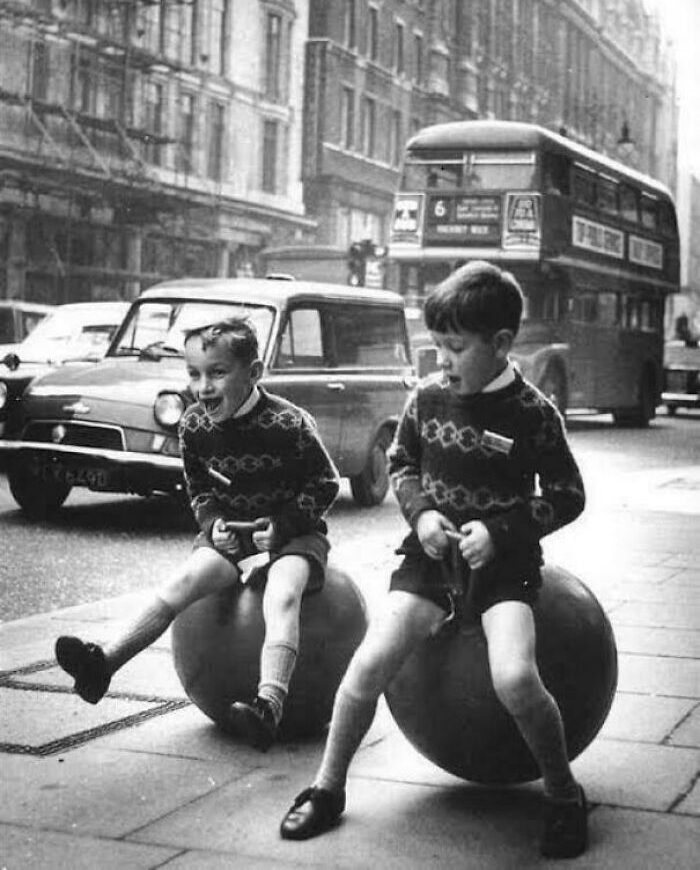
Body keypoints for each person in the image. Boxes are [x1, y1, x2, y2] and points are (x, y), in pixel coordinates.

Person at [279, 261, 588, 859]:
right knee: (367, 666)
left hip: (504, 571)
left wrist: (501, 531)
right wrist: (420, 514)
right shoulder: (425, 398)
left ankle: (563, 794)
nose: (441, 360)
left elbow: (569, 494)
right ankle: (326, 787)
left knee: (516, 678)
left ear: (500, 345)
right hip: (429, 563)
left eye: (454, 348)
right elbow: (402, 464)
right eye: (437, 347)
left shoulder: (533, 413)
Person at [55, 317, 340, 751]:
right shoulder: (193, 426)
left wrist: (282, 528)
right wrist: (213, 525)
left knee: (282, 595)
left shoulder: (290, 423)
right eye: (194, 374)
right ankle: (103, 665)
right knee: (180, 583)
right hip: (231, 537)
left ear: (254, 372)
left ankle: (269, 705)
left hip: (291, 537)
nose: (203, 386)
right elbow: (199, 488)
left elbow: (326, 482)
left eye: (218, 372)